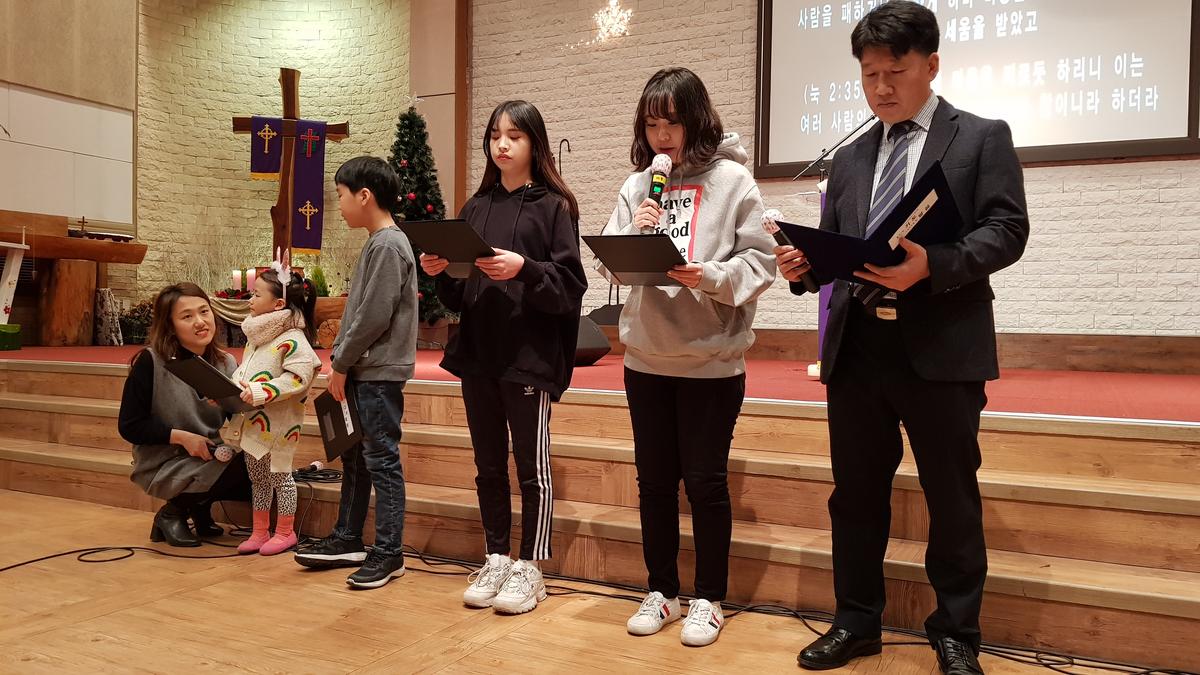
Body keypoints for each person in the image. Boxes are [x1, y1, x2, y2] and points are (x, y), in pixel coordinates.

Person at [775, 3, 1029, 673]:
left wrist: (932, 265)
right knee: (855, 495)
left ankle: (956, 633)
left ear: (931, 65)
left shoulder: (979, 138)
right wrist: (805, 268)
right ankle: (856, 621)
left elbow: (1007, 230)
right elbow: (841, 249)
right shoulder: (851, 156)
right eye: (869, 75)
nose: (881, 87)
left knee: (951, 496)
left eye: (896, 71)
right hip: (859, 349)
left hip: (942, 346)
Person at [598, 67, 776, 647]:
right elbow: (610, 264)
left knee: (705, 482)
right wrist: (635, 233)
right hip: (646, 358)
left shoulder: (734, 181)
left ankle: (709, 599)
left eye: (672, 123)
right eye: (652, 125)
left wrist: (710, 276)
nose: (662, 137)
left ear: (697, 120)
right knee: (654, 483)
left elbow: (761, 263)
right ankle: (662, 591)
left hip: (710, 361)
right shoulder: (638, 186)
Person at [420, 100, 587, 615]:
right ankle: (495, 556)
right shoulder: (476, 207)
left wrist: (525, 269)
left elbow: (571, 286)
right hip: (479, 353)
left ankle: (531, 566)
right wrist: (441, 272)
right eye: (495, 135)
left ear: (535, 142)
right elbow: (459, 295)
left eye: (514, 135)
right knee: (487, 464)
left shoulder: (555, 207)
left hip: (529, 355)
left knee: (531, 467)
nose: (502, 144)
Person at [293, 156, 419, 590]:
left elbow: (373, 317)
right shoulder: (378, 241)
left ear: (365, 195)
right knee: (356, 456)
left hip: (377, 371)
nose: (340, 204)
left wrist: (342, 362)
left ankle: (390, 552)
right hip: (365, 367)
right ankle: (348, 537)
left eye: (341, 195)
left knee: (381, 459)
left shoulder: (388, 244)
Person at [118, 283, 251, 547]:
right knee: (240, 467)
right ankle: (172, 513)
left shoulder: (226, 363)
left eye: (204, 311)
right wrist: (182, 438)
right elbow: (129, 426)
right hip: (166, 458)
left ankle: (199, 508)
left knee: (259, 464)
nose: (200, 322)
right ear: (170, 325)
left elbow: (234, 417)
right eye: (187, 316)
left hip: (210, 454)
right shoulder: (151, 362)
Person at [226, 257, 322, 556]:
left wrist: (259, 390)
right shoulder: (257, 337)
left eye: (256, 295)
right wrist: (231, 387)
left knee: (281, 476)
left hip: (279, 422)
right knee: (257, 477)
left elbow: (299, 378)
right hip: (253, 418)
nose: (250, 300)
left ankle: (285, 531)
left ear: (278, 304)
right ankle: (259, 531)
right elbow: (247, 370)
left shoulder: (293, 338)